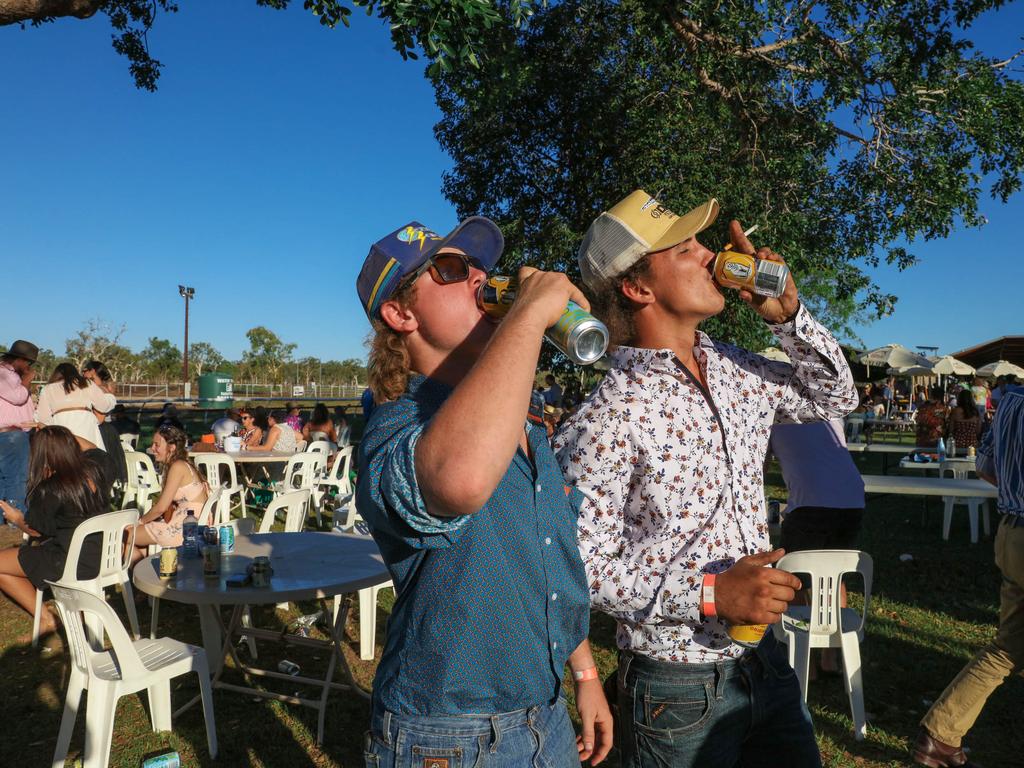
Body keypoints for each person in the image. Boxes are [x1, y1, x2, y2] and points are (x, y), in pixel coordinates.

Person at [554, 190, 858, 768]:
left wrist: (790, 317)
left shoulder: (739, 369)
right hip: (675, 686)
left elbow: (835, 396)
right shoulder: (608, 414)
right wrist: (714, 594)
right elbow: (576, 567)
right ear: (637, 287)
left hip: (763, 666)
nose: (708, 255)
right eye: (685, 248)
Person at [355, 218, 612, 766]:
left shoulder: (527, 413)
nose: (477, 278)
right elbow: (460, 483)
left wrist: (585, 672)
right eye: (450, 270)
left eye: (481, 268)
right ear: (401, 314)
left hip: (545, 714)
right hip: (447, 732)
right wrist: (526, 315)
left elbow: (546, 557)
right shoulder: (394, 425)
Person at [913, 384, 1024, 767]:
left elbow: (985, 468)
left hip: (1011, 532)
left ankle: (940, 736)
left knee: (1010, 647)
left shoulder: (1011, 401)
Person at [769, 419, 865, 674]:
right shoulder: (828, 408)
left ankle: (805, 661)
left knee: (797, 579)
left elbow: (758, 467)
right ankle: (829, 658)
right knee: (835, 575)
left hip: (810, 502)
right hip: (852, 498)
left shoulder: (772, 413)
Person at [0, 426, 109, 640]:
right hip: (105, 555)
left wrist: (16, 518)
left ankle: (45, 619)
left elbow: (37, 531)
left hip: (70, 561)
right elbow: (94, 447)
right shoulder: (97, 470)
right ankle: (46, 618)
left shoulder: (51, 489)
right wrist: (58, 432)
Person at [130, 424, 208, 561]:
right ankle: (142, 567)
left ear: (171, 448)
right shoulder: (182, 464)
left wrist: (140, 521)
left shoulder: (177, 467)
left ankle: (137, 571)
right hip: (190, 521)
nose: (152, 448)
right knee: (137, 540)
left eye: (156, 445)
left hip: (185, 528)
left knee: (124, 535)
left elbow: (161, 508)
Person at [35, 362, 116, 450]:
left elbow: (43, 418)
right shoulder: (86, 383)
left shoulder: (48, 389)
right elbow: (103, 406)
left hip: (61, 428)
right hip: (86, 426)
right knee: (90, 457)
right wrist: (110, 396)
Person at [0, 340, 38, 515]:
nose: (28, 367)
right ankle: (16, 522)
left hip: (11, 435)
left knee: (4, 479)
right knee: (16, 479)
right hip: (11, 435)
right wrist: (27, 380)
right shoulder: (4, 374)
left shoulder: (10, 376)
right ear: (20, 360)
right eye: (28, 363)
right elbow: (17, 398)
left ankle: (4, 522)